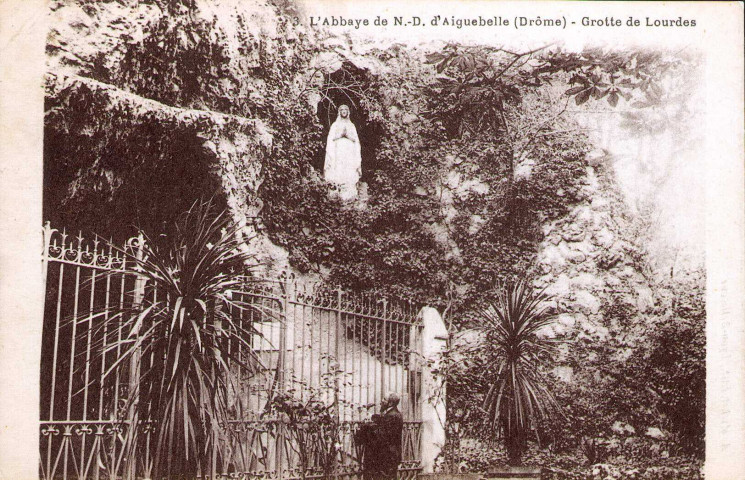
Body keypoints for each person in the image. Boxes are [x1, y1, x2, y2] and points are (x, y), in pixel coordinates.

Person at [355, 393, 404, 480]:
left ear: (390, 403)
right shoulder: (391, 414)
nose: (381, 401)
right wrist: (372, 418)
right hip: (388, 456)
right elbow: (382, 421)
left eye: (384, 399)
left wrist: (367, 426)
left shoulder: (393, 416)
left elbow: (382, 435)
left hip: (388, 456)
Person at [324, 104, 362, 200]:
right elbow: (331, 138)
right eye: (342, 110)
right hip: (339, 150)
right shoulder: (335, 125)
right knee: (339, 167)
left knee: (348, 167)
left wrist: (347, 135)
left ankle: (349, 189)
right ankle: (338, 186)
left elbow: (355, 140)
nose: (344, 111)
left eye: (346, 109)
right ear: (339, 112)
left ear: (348, 112)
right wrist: (341, 135)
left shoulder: (351, 125)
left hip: (349, 150)